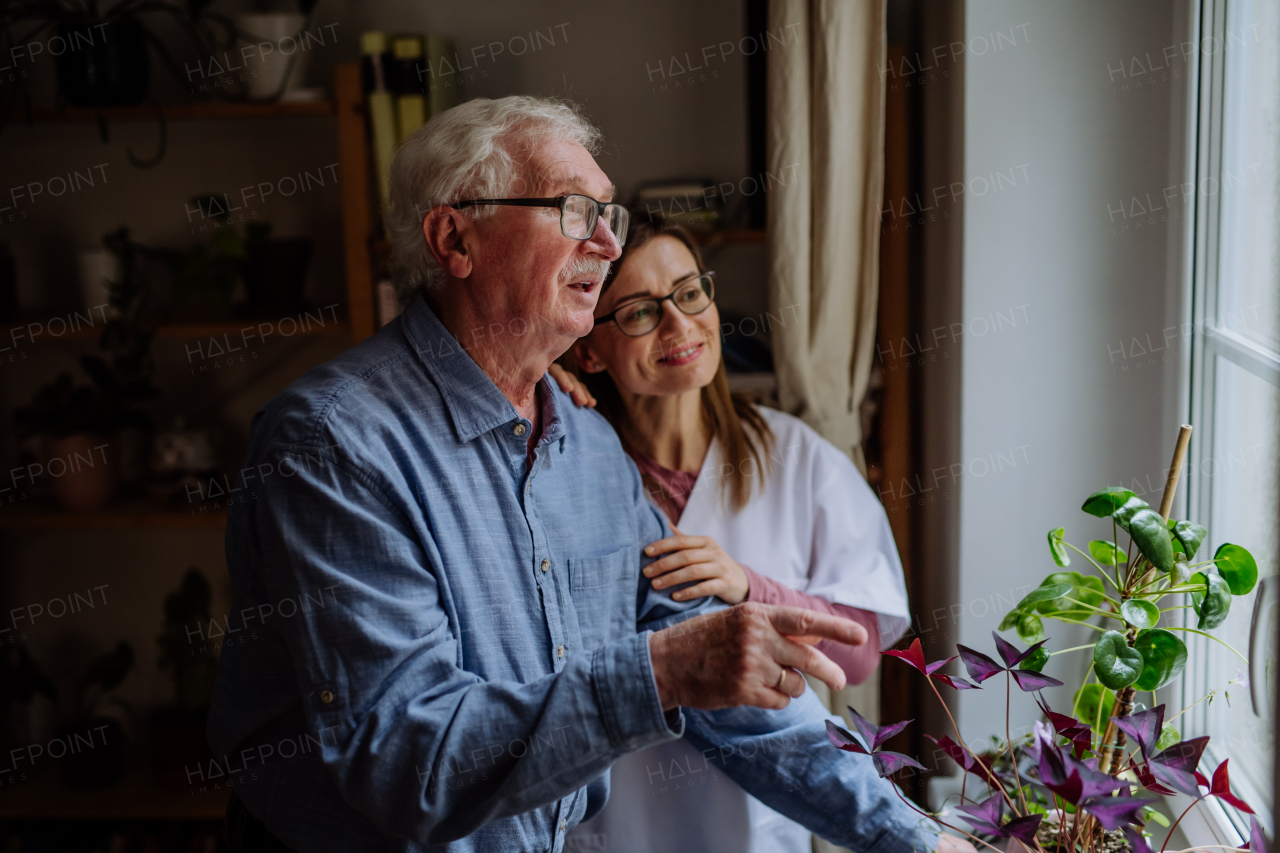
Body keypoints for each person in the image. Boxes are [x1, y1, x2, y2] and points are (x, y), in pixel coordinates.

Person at [207, 94, 969, 853]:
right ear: (455, 238)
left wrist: (922, 841)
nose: (607, 244)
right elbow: (411, 764)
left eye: (610, 214)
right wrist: (662, 671)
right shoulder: (335, 443)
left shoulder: (591, 452)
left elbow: (734, 693)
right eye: (573, 210)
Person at [551, 219, 911, 853]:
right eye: (638, 312)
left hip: (756, 826)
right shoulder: (567, 471)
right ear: (589, 350)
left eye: (690, 293)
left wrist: (751, 588)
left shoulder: (796, 457)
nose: (678, 325)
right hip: (615, 825)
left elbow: (856, 654)